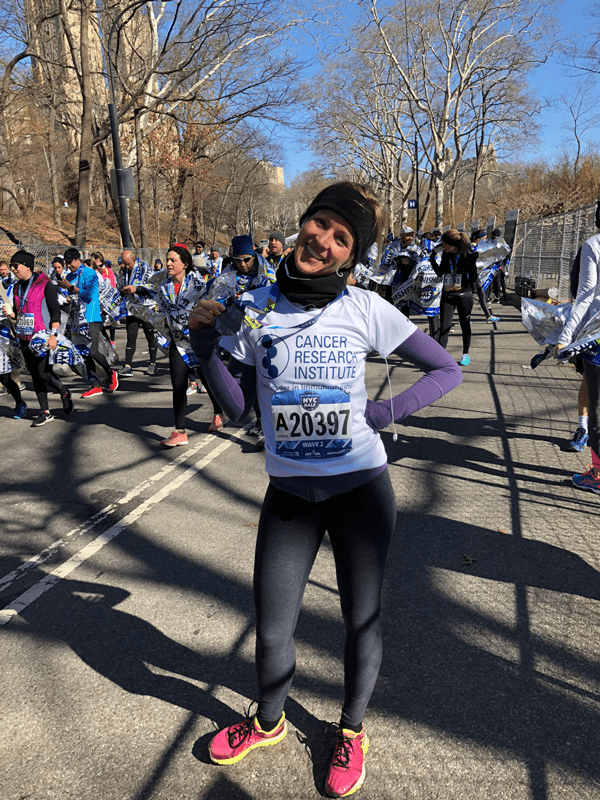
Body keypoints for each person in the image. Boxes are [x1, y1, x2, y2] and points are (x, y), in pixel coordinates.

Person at [188, 182, 463, 796]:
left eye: (343, 238)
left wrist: (388, 413)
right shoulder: (253, 307)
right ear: (303, 221)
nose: (325, 240)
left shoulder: (365, 308)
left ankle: (352, 730)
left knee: (360, 621)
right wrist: (205, 346)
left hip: (361, 494)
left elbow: (446, 369)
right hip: (290, 497)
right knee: (273, 626)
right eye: (321, 224)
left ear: (352, 254)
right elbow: (237, 411)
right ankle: (268, 721)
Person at [157, 245, 224, 446]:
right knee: (178, 386)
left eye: (173, 260)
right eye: (167, 260)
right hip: (178, 342)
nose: (168, 263)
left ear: (185, 264)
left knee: (207, 379)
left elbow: (207, 311)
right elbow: (159, 311)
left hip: (198, 341)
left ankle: (218, 412)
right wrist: (163, 321)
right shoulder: (163, 287)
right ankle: (180, 431)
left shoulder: (198, 286)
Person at [556, 208, 600, 493]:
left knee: (597, 412)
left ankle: (597, 474)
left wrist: (565, 336)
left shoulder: (594, 244)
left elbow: (584, 295)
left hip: (596, 338)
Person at [4, 251, 73, 426]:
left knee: (43, 373)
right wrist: (11, 313)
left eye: (15, 266)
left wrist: (53, 335)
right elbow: (20, 313)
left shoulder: (45, 284)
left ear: (26, 266)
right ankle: (45, 412)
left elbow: (55, 311)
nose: (13, 269)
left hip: (41, 337)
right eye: (12, 266)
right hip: (24, 336)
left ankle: (63, 391)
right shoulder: (18, 286)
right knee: (35, 375)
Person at [58, 247, 119, 397]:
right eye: (66, 263)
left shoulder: (89, 273)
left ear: (78, 260)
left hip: (91, 316)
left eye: (70, 262)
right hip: (76, 318)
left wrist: (71, 287)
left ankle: (111, 373)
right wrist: (63, 292)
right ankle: (95, 384)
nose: (68, 266)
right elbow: (68, 294)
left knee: (93, 351)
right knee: (82, 354)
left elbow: (90, 295)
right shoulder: (70, 275)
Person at [430, 229, 479, 366]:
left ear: (453, 244)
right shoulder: (446, 255)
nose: (443, 246)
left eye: (445, 244)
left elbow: (473, 278)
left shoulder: (467, 255)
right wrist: (432, 258)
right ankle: (440, 357)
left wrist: (472, 263)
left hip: (464, 294)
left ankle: (465, 353)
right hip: (448, 294)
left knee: (465, 324)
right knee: (444, 325)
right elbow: (440, 273)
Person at [117, 249, 158, 376]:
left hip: (146, 306)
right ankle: (127, 365)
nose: (126, 266)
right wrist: (123, 291)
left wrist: (136, 289)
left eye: (128, 264)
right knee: (131, 336)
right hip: (132, 307)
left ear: (134, 259)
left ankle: (152, 363)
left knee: (150, 336)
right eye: (124, 263)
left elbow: (152, 288)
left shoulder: (145, 269)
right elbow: (119, 286)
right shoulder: (123, 271)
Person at [470, 230, 500, 324]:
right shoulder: (471, 247)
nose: (485, 240)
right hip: (469, 275)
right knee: (467, 297)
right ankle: (464, 317)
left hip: (477, 275)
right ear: (478, 239)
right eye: (484, 238)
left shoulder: (480, 247)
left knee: (481, 295)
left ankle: (488, 316)